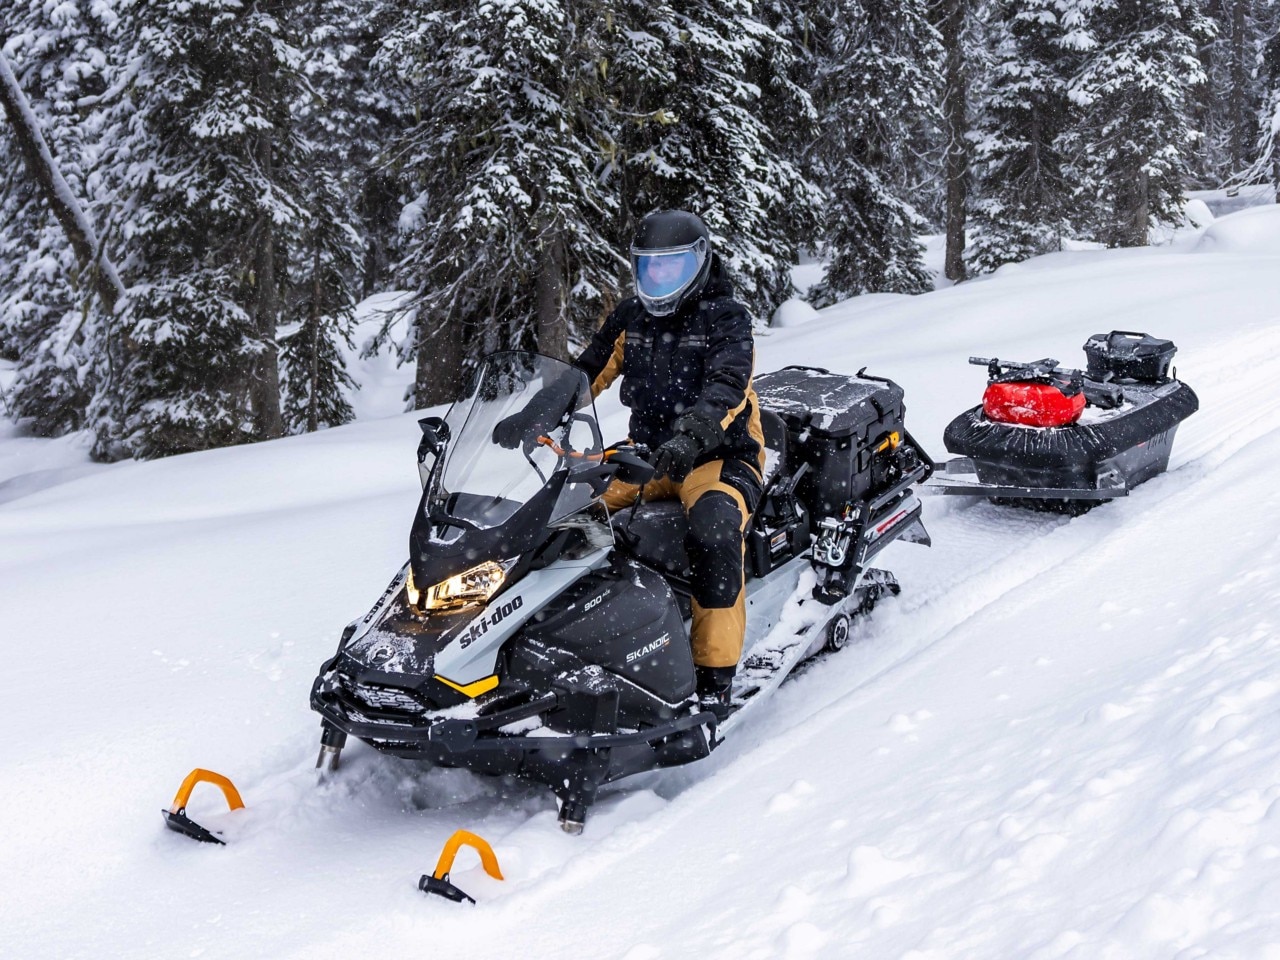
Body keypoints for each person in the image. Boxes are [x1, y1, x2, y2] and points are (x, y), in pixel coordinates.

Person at [496, 210, 765, 714]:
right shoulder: (631, 319)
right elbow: (584, 374)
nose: (658, 281)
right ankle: (526, 642)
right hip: (649, 457)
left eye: (672, 268)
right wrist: (534, 416)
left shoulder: (725, 318)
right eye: (649, 269)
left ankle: (716, 675)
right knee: (560, 515)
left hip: (717, 456)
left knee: (713, 532)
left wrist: (692, 435)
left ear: (701, 263)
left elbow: (728, 386)